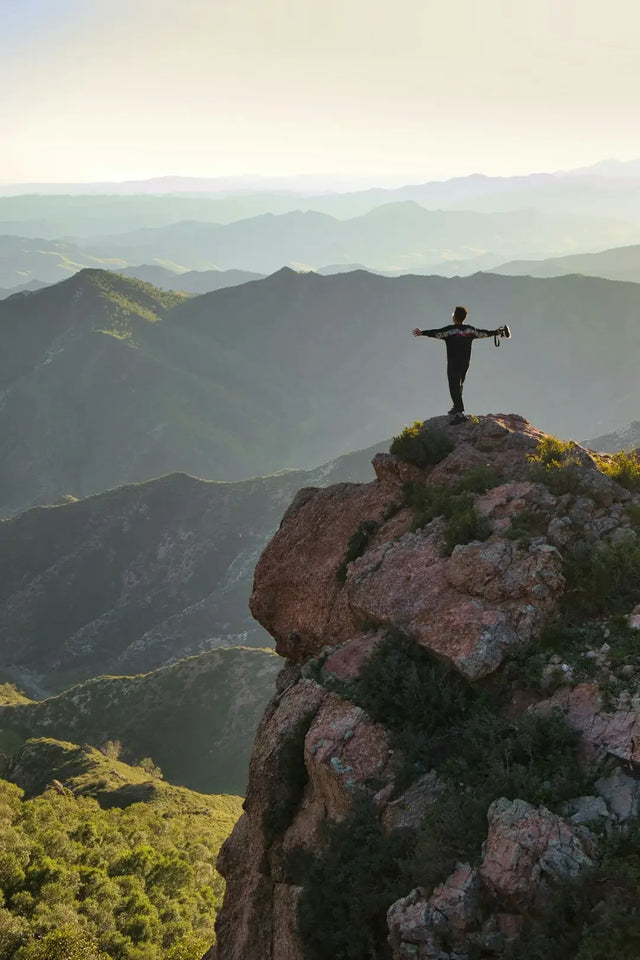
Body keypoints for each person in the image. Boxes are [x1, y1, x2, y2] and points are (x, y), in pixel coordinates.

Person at [412, 306, 509, 423]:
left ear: (454, 317)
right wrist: (496, 332)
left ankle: (460, 413)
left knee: (454, 386)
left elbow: (437, 333)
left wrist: (422, 332)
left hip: (454, 362)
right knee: (460, 385)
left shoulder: (450, 331)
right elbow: (483, 333)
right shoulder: (470, 330)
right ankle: (456, 408)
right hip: (465, 362)